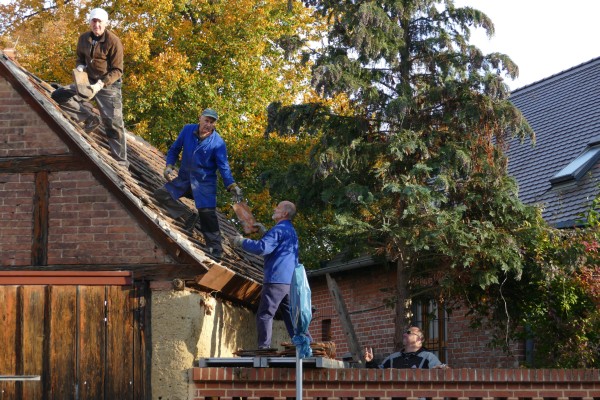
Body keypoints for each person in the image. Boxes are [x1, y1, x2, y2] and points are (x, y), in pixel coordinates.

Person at [154, 108, 243, 259]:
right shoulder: (188, 130)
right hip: (185, 180)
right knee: (161, 194)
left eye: (211, 122)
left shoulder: (218, 143)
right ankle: (187, 215)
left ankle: (215, 249)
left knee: (208, 215)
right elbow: (174, 149)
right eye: (206, 120)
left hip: (204, 185)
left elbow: (223, 166)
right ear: (200, 119)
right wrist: (169, 165)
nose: (208, 124)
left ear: (214, 125)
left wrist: (232, 185)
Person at [51, 8, 128, 166]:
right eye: (94, 21)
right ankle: (89, 118)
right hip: (87, 81)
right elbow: (80, 58)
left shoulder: (113, 41)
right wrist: (80, 67)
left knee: (113, 123)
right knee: (59, 95)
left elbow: (117, 70)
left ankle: (121, 162)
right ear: (90, 22)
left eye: (100, 22)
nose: (97, 25)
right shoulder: (84, 38)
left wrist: (100, 84)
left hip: (108, 86)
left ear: (105, 23)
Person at [233, 201, 298, 349]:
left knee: (265, 314)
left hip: (276, 279)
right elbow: (278, 246)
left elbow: (262, 248)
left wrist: (241, 242)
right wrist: (265, 232)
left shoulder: (278, 230)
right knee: (291, 317)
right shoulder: (290, 230)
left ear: (284, 214)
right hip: (290, 281)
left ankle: (264, 348)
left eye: (278, 207)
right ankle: (304, 344)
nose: (275, 208)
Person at [364, 326, 447, 369]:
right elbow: (378, 374)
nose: (404, 334)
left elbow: (441, 370)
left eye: (408, 332)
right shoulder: (392, 358)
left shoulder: (428, 357)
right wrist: (370, 362)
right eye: (405, 332)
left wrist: (442, 367)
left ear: (419, 339)